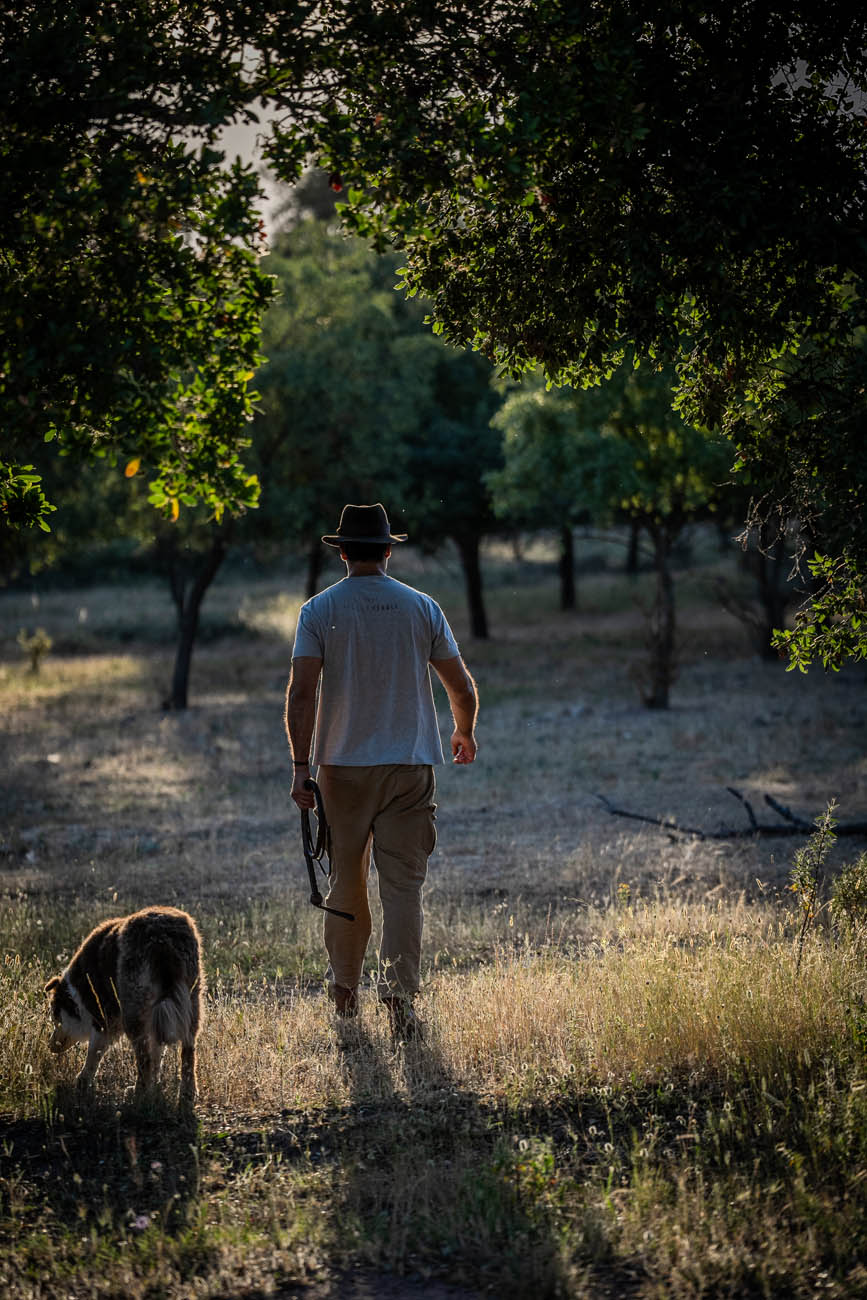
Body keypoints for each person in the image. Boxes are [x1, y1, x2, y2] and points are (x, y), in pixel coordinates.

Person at [285, 502, 478, 1038]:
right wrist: (463, 730)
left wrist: (301, 768)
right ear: (389, 551)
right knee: (403, 890)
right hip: (409, 765)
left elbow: (302, 695)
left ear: (343, 552)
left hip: (341, 770)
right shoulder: (422, 607)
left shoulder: (318, 610)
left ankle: (345, 993)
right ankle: (398, 1000)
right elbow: (459, 686)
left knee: (345, 884)